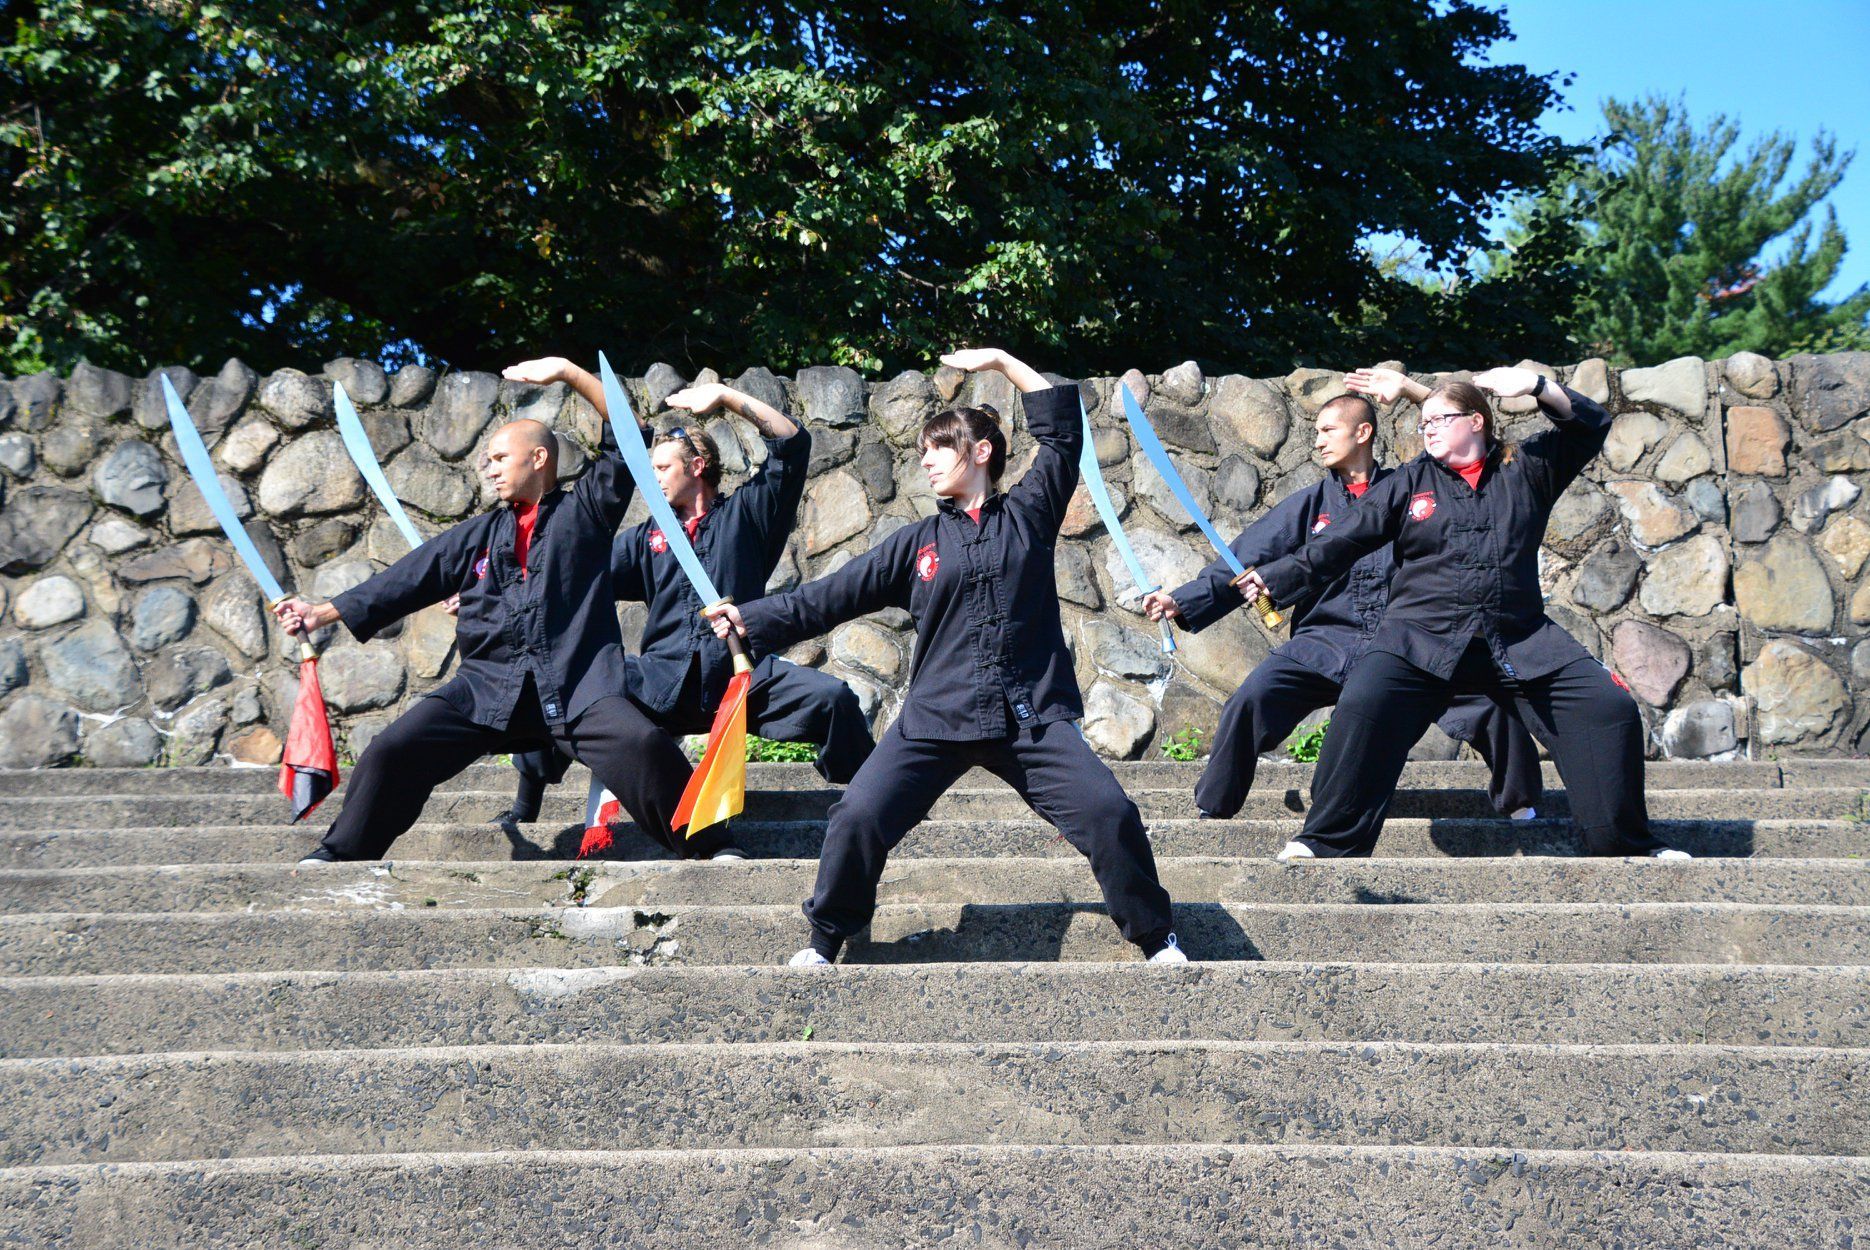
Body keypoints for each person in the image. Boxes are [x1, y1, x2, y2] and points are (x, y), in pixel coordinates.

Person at [709, 348, 1186, 966]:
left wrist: (1001, 360)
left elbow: (1064, 433)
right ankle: (827, 938)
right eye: (923, 451)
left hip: (1029, 718)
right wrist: (748, 617)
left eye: (939, 448)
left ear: (981, 452)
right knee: (856, 813)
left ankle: (1156, 936)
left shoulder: (1030, 514)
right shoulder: (916, 543)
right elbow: (826, 599)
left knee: (1109, 810)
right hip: (934, 718)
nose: (926, 461)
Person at [1233, 365, 1690, 861]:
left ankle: (1627, 846)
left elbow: (1591, 424)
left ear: (1476, 422)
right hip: (1419, 639)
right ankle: (1323, 842)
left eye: (1438, 419)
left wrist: (1537, 386)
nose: (1426, 428)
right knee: (1364, 705)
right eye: (1422, 422)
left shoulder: (1528, 468)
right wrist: (1274, 579)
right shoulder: (1409, 482)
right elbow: (1343, 538)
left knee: (1608, 708)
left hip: (1519, 639)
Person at [274, 356, 696, 864]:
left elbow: (626, 435)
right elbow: (409, 578)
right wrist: (323, 613)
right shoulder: (479, 534)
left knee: (646, 745)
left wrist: (568, 372)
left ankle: (711, 846)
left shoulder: (585, 512)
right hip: (487, 688)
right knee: (393, 750)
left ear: (539, 458)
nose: (487, 467)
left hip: (578, 686)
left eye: (499, 457)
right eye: (488, 460)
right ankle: (340, 853)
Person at [1142, 393, 1543, 858]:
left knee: (1487, 705)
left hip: (1405, 643)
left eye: (1327, 430)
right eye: (1314, 432)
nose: (1317, 441)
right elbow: (1242, 558)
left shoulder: (1414, 490)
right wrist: (1181, 599)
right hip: (1325, 641)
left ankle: (1522, 804)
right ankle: (1214, 807)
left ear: (1363, 433)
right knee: (1251, 699)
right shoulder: (1309, 505)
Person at [501, 380, 874, 858]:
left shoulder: (749, 515)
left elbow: (792, 442)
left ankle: (867, 802)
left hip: (739, 676)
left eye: (661, 467)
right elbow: (572, 578)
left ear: (697, 467)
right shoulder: (646, 539)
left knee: (833, 698)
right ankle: (525, 802)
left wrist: (724, 397)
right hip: (660, 677)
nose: (651, 477)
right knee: (567, 687)